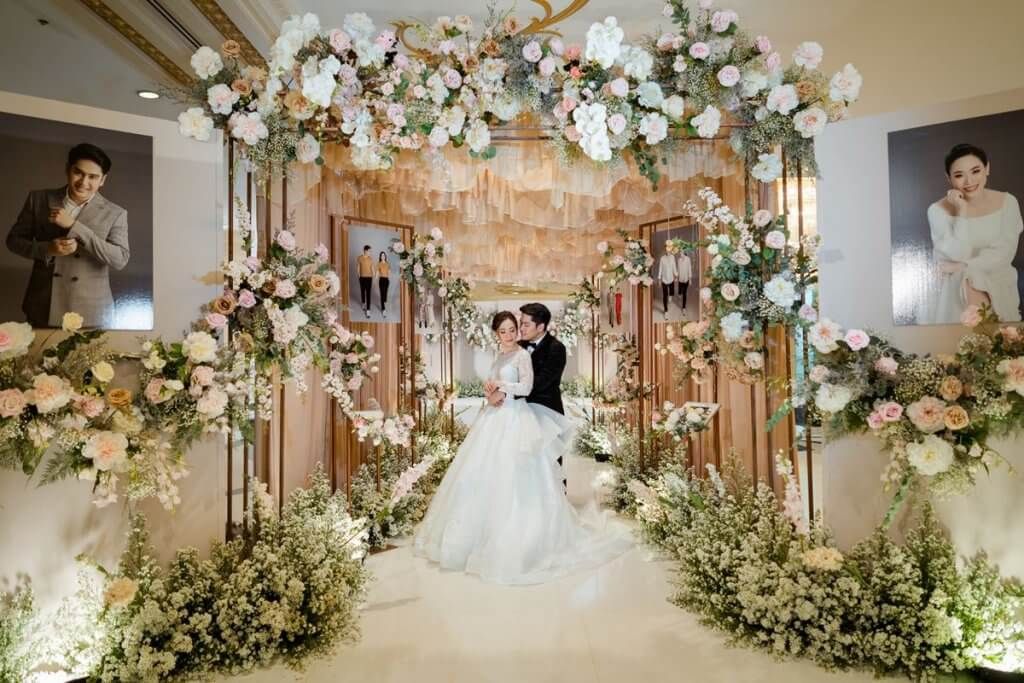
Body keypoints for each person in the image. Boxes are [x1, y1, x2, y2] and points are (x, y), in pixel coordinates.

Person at [414, 311, 630, 584]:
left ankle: (524, 539)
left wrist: (502, 387)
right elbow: (494, 386)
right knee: (483, 474)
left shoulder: (522, 355)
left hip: (516, 418)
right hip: (494, 418)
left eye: (512, 329)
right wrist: (491, 394)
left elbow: (526, 387)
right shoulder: (499, 357)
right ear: (496, 334)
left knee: (520, 475)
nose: (508, 335)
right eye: (503, 331)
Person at [6, 143, 129, 328]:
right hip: (43, 304)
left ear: (103, 180)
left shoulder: (115, 213)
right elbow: (13, 241)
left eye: (93, 177)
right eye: (78, 172)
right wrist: (48, 249)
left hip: (92, 310)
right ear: (67, 169)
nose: (83, 182)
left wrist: (74, 226)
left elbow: (120, 259)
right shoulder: (38, 199)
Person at [927, 143, 1023, 324]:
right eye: (959, 175)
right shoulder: (936, 210)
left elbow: (1004, 253)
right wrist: (961, 210)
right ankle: (976, 337)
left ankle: (979, 336)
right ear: (949, 178)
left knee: (969, 274)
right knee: (968, 277)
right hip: (955, 283)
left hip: (997, 276)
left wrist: (963, 265)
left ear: (987, 168)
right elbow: (957, 254)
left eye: (975, 171)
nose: (969, 181)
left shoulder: (1008, 202)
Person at [657, 248, 678, 315]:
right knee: (665, 295)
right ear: (665, 250)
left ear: (670, 250)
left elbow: (674, 266)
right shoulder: (662, 258)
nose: (668, 251)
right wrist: (659, 279)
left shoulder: (672, 257)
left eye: (669, 250)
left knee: (671, 292)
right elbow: (660, 268)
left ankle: (670, 296)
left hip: (671, 279)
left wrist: (676, 275)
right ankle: (666, 310)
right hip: (664, 279)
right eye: (666, 250)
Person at [356, 245, 373, 316]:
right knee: (363, 291)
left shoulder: (370, 258)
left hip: (369, 278)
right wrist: (359, 276)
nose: (370, 252)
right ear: (365, 251)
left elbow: (372, 267)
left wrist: (374, 275)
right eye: (369, 251)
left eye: (370, 251)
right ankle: (363, 303)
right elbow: (358, 268)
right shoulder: (359, 258)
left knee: (368, 293)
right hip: (362, 277)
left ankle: (368, 309)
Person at [677, 247, 692, 314]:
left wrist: (690, 279)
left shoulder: (688, 259)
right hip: (680, 278)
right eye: (680, 252)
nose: (680, 253)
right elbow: (678, 269)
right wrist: (677, 277)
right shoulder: (679, 260)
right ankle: (679, 294)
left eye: (681, 252)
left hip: (686, 279)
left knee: (684, 293)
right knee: (680, 291)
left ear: (684, 252)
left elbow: (689, 269)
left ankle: (684, 308)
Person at [376, 251, 390, 317]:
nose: (383, 256)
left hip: (386, 280)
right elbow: (377, 272)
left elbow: (389, 271)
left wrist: (388, 274)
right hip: (381, 280)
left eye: (384, 255)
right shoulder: (379, 263)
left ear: (385, 256)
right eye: (381, 255)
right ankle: (383, 309)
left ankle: (384, 302)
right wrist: (376, 277)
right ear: (380, 257)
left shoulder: (387, 263)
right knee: (382, 294)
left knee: (385, 294)